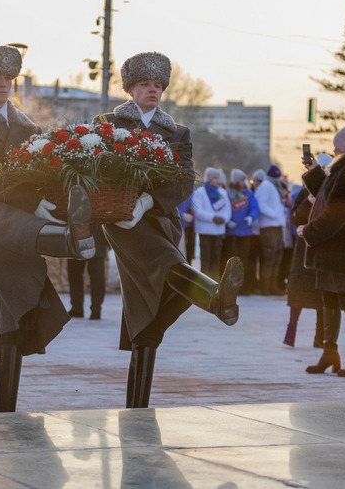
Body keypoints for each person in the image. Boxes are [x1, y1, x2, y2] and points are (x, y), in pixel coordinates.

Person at [0, 44, 96, 412]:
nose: (2, 84)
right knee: (10, 224)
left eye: (8, 78)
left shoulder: (29, 128)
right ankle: (71, 243)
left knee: (13, 305)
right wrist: (31, 202)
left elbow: (43, 173)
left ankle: (6, 409)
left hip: (24, 218)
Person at [92, 51, 243, 408]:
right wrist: (128, 203)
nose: (153, 90)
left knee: (147, 308)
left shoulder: (178, 132)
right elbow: (95, 169)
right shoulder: (108, 124)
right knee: (166, 263)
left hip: (160, 218)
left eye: (158, 84)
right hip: (123, 220)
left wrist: (148, 201)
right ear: (130, 88)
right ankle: (213, 296)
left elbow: (183, 181)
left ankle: (137, 406)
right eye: (145, 84)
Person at [299, 121, 345, 377]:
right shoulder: (344, 171)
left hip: (343, 250)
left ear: (344, 147)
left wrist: (307, 231)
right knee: (330, 297)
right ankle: (329, 352)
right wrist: (314, 171)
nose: (334, 150)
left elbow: (335, 215)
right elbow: (327, 196)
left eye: (336, 147)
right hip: (334, 249)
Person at [283, 153, 332, 348]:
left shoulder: (329, 193)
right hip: (302, 248)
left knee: (321, 293)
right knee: (297, 293)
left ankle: (320, 336)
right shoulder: (304, 194)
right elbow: (295, 218)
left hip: (322, 247)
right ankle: (291, 332)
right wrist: (308, 203)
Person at [255, 164, 287, 295]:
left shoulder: (274, 186)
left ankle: (273, 285)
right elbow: (261, 205)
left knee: (277, 256)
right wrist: (274, 214)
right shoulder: (266, 186)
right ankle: (266, 286)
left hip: (277, 225)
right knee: (270, 257)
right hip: (269, 226)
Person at [222, 168, 259, 281]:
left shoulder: (248, 194)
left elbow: (255, 207)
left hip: (245, 231)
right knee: (231, 259)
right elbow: (224, 208)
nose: (244, 182)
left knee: (244, 259)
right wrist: (227, 220)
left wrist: (251, 217)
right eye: (242, 180)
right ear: (236, 181)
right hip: (231, 232)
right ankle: (231, 282)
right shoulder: (228, 194)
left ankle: (243, 284)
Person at [66, 224, 108, 319]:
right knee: (75, 274)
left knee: (96, 275)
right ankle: (78, 308)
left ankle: (94, 309)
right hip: (79, 233)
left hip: (94, 232)